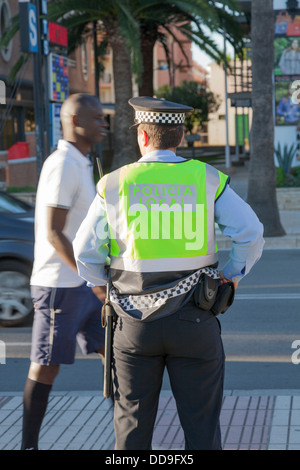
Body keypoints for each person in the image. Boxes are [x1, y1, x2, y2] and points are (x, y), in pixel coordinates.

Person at [73, 96, 264, 450]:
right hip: (195, 320)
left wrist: (103, 286)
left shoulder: (114, 185)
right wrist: (231, 274)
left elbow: (84, 252)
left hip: (131, 326)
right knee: (202, 426)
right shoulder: (206, 179)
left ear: (142, 136)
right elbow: (251, 232)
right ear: (179, 137)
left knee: (131, 427)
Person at [21, 93, 109, 450]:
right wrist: (92, 278)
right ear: (75, 121)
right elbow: (53, 232)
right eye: (98, 118)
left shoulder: (82, 162)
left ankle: (132, 439)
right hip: (60, 285)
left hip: (84, 285)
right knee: (45, 367)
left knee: (115, 356)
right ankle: (28, 445)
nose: (104, 123)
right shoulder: (63, 164)